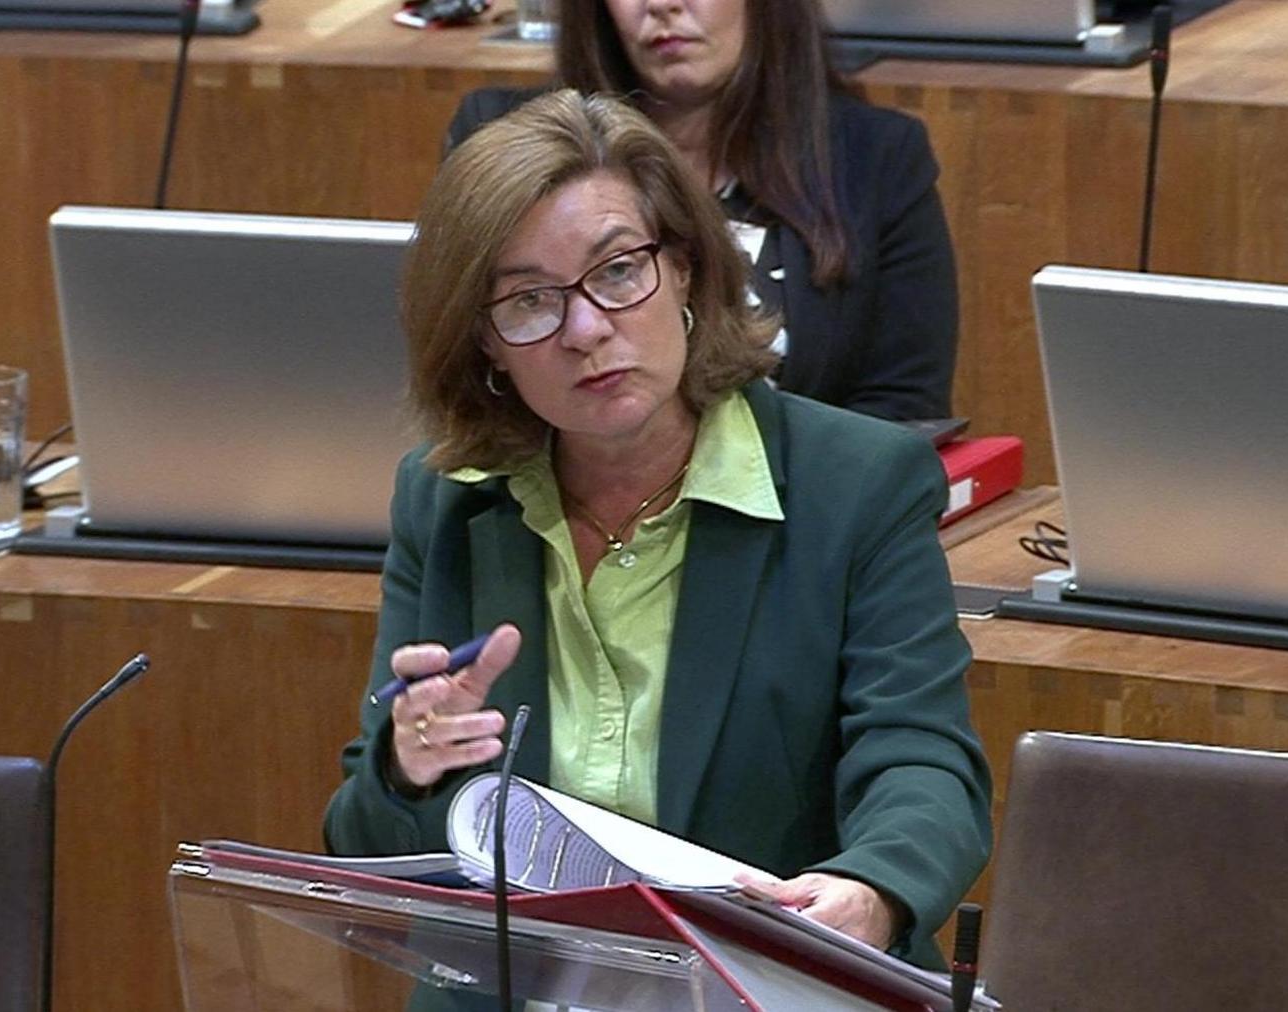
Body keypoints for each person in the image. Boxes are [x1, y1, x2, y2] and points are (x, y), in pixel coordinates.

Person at [323, 90, 990, 971]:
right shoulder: (449, 499)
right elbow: (360, 846)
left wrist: (871, 891)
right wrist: (406, 766)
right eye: (528, 302)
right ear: (484, 343)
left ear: (684, 270)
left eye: (618, 270)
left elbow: (922, 759)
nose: (589, 331)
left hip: (769, 984)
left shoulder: (857, 485)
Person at [445, 0, 959, 422]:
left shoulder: (877, 155)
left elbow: (905, 410)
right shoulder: (503, 142)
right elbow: (461, 374)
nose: (662, 6)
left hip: (804, 517)